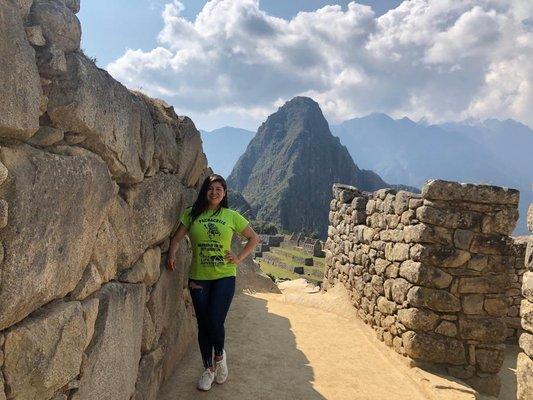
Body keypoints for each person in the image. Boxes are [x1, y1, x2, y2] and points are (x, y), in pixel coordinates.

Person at [166, 174, 260, 391]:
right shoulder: (192, 214)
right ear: (205, 191)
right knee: (203, 323)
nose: (214, 192)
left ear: (224, 193)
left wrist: (238, 258)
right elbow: (178, 237)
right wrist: (171, 252)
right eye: (211, 188)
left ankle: (219, 357)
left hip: (225, 276)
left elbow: (254, 238)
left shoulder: (231, 216)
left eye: (219, 189)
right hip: (199, 276)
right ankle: (207, 369)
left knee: (215, 321)